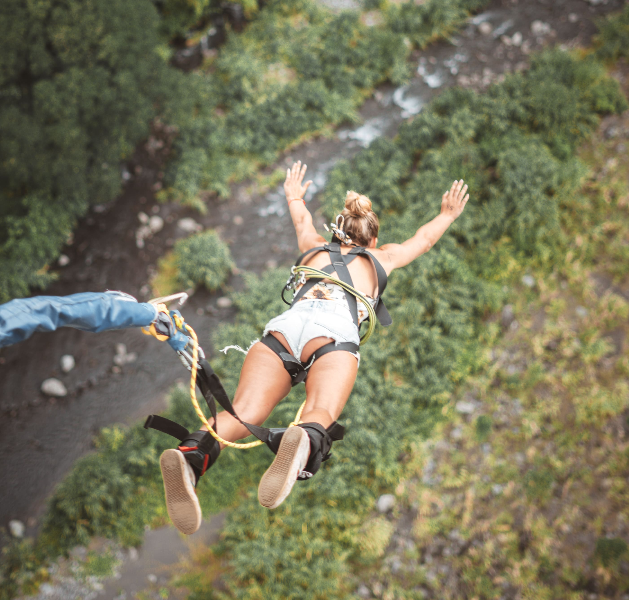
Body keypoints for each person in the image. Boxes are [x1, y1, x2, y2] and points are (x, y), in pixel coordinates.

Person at [158, 161, 469, 534]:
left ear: (337, 234)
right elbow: (424, 240)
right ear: (371, 241)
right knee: (319, 409)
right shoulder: (382, 257)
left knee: (241, 414)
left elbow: (303, 223)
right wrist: (447, 214)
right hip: (333, 333)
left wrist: (293, 197)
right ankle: (302, 438)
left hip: (284, 330)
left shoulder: (313, 250)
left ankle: (190, 457)